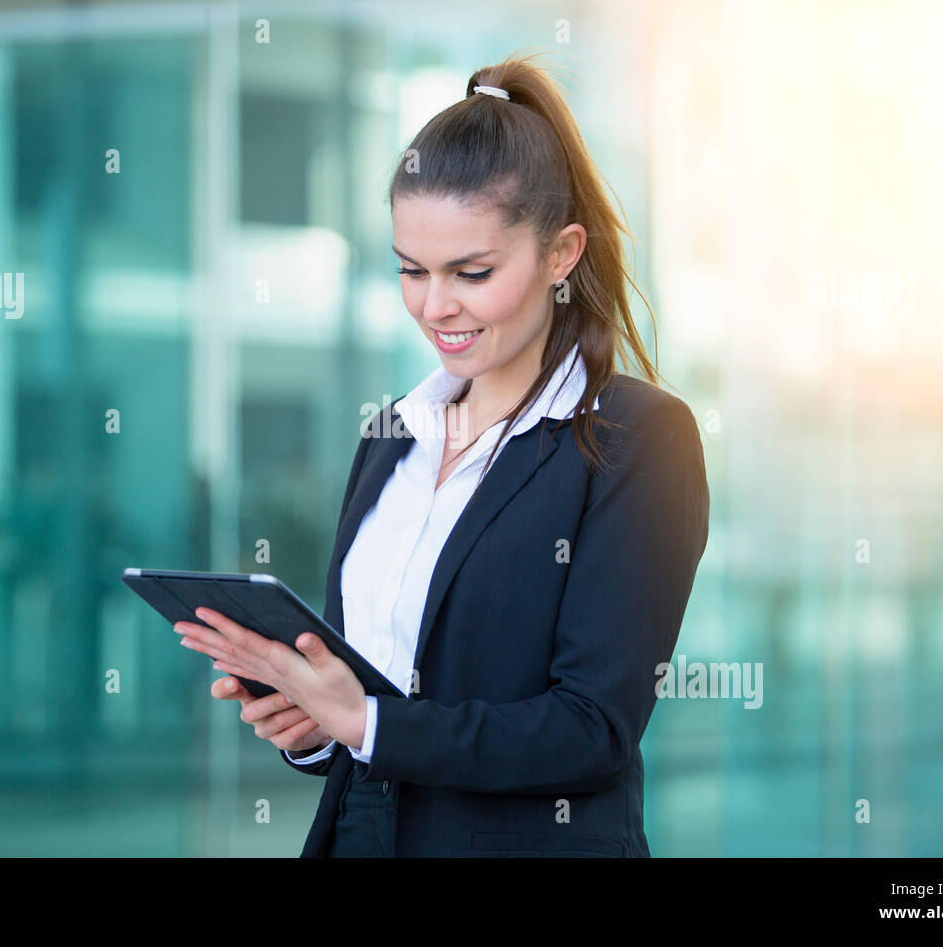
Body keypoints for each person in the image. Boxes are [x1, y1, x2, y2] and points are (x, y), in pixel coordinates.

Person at [175, 50, 709, 857]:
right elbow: (376, 709)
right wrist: (315, 725)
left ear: (562, 254)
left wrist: (364, 718)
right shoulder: (393, 434)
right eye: (411, 270)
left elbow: (591, 729)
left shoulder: (636, 439)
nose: (436, 306)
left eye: (472, 271)